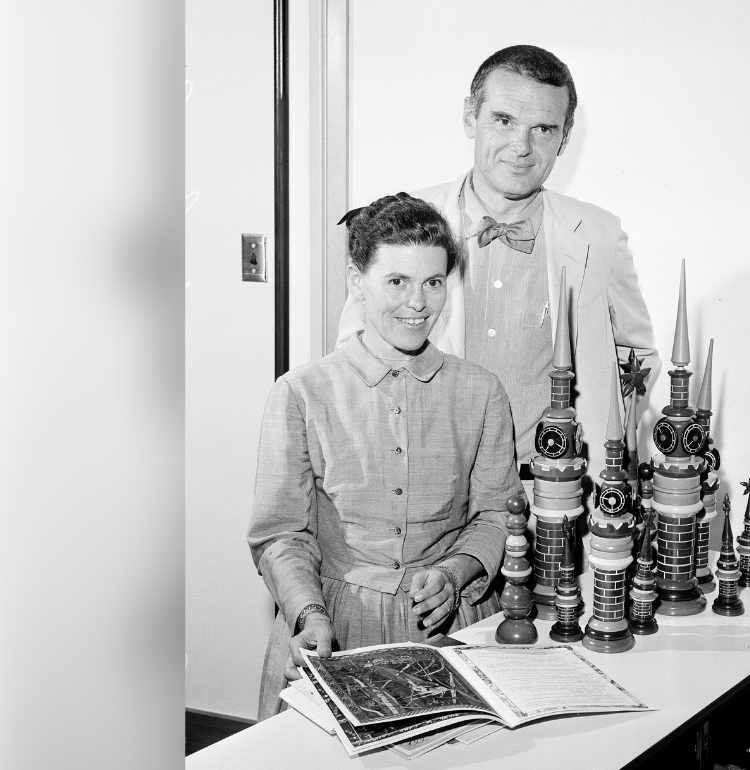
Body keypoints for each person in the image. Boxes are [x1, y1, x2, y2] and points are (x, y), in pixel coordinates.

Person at [249, 194, 523, 720]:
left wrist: (456, 571)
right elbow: (280, 533)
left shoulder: (482, 392)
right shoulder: (301, 393)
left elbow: (495, 516)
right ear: (357, 280)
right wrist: (309, 615)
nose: (418, 303)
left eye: (434, 282)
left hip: (451, 627)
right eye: (396, 281)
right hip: (333, 629)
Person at [337, 45, 658, 489]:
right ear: (471, 116)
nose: (521, 147)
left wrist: (603, 443)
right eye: (504, 120)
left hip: (554, 493)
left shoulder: (598, 234)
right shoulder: (406, 220)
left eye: (543, 128)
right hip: (427, 490)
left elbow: (636, 356)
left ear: (564, 138)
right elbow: (353, 354)